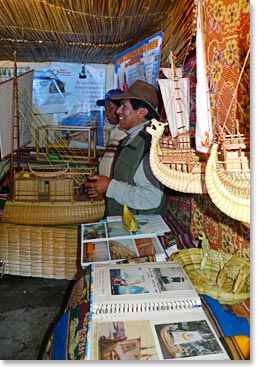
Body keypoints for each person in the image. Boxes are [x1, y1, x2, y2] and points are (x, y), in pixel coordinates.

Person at [85, 80, 167, 217]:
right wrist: (105, 186)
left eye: (123, 106)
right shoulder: (132, 140)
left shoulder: (150, 145)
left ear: (141, 112)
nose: (118, 111)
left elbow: (151, 198)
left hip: (142, 229)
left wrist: (110, 186)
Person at [96, 89, 127, 176]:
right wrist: (99, 161)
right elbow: (112, 156)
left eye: (110, 108)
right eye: (106, 108)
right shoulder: (114, 131)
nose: (107, 112)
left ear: (121, 109)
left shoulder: (126, 133)